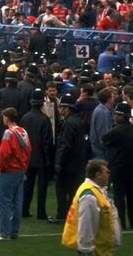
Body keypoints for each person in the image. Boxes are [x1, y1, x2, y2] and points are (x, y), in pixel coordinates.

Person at [62, 159, 121, 256]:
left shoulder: (96, 191)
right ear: (98, 175)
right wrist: (87, 250)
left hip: (102, 250)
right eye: (107, 172)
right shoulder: (89, 197)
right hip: (95, 251)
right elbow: (86, 227)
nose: (109, 175)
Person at [0, 107, 31, 241]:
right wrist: (24, 166)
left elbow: (4, 152)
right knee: (17, 202)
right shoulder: (23, 131)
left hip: (8, 171)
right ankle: (14, 231)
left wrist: (1, 166)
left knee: (4, 202)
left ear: (7, 118)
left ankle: (4, 233)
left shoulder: (8, 133)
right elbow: (29, 150)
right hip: (20, 170)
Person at [101, 102, 133, 230]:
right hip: (132, 167)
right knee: (132, 197)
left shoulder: (116, 131)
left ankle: (121, 223)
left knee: (119, 197)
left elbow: (104, 140)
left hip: (118, 167)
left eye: (118, 115)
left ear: (123, 116)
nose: (115, 117)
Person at [52, 93, 87, 224]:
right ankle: (71, 215)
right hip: (77, 163)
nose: (59, 109)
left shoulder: (69, 123)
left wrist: (58, 163)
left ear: (67, 108)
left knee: (61, 191)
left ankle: (62, 215)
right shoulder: (77, 121)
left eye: (61, 107)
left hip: (68, 164)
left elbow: (65, 145)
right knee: (73, 191)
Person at [21, 89, 53, 220]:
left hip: (27, 157)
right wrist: (48, 159)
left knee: (27, 185)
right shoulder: (44, 119)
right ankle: (41, 212)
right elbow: (47, 142)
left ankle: (24, 209)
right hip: (41, 158)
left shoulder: (24, 118)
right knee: (42, 187)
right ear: (42, 103)